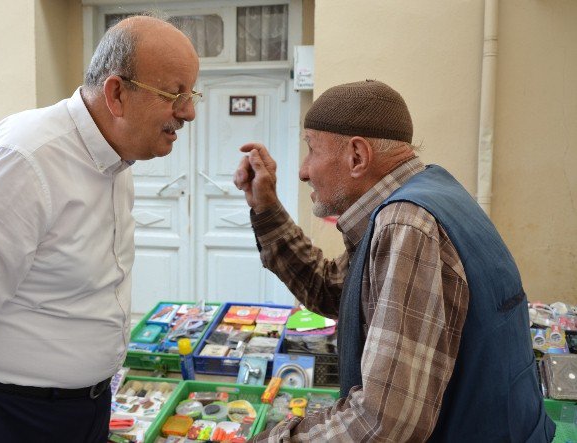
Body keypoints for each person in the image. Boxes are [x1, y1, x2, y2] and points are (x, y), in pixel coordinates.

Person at [0, 16, 200, 443]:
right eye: (174, 94)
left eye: (192, 95)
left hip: (87, 409)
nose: (188, 112)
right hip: (15, 416)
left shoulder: (118, 157)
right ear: (116, 93)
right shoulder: (25, 159)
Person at [235, 80, 555, 442]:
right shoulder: (427, 193)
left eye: (311, 150)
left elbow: (382, 423)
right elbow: (334, 290)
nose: (303, 170)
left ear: (357, 156)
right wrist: (266, 208)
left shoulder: (408, 223)